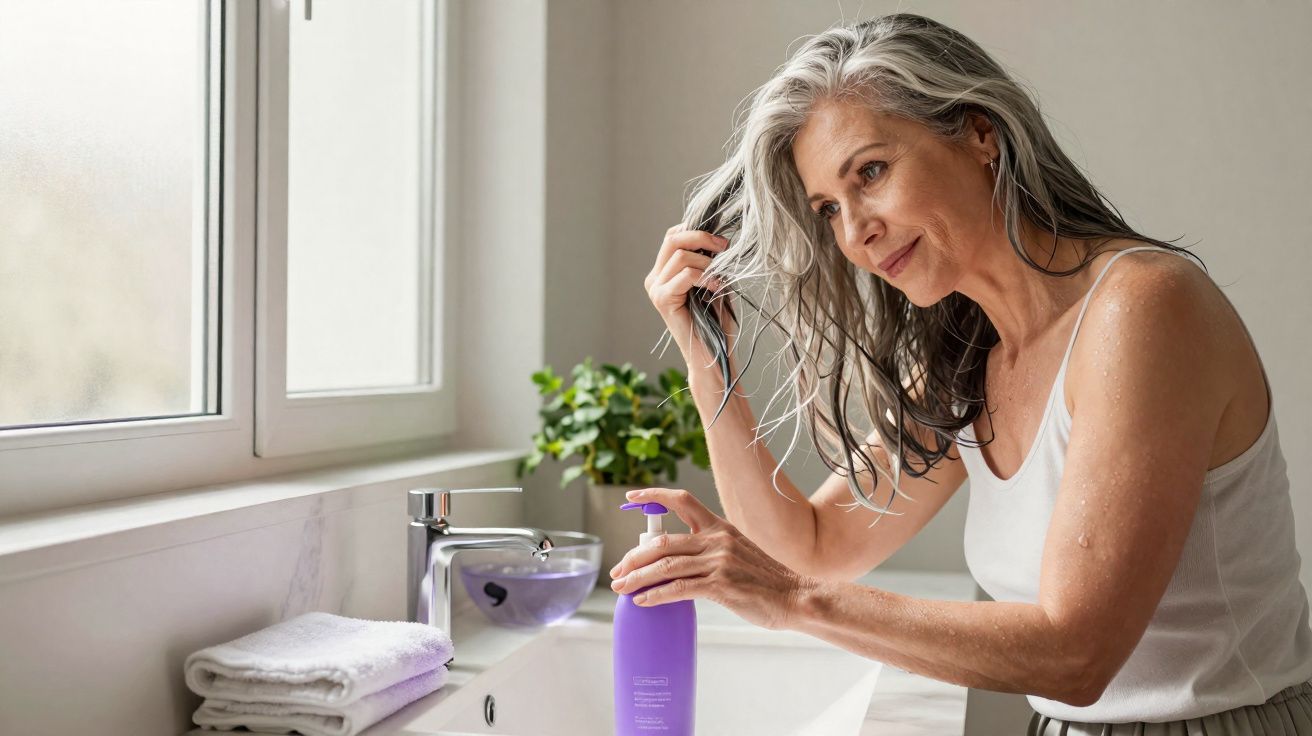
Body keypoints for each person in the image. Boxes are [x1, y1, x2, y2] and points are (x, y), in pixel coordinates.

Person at [611, 13, 1312, 735]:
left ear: (979, 134)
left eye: (872, 173)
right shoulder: (969, 357)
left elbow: (1078, 653)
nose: (855, 232)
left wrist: (794, 599)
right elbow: (816, 544)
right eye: (828, 209)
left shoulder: (1143, 308)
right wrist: (707, 358)